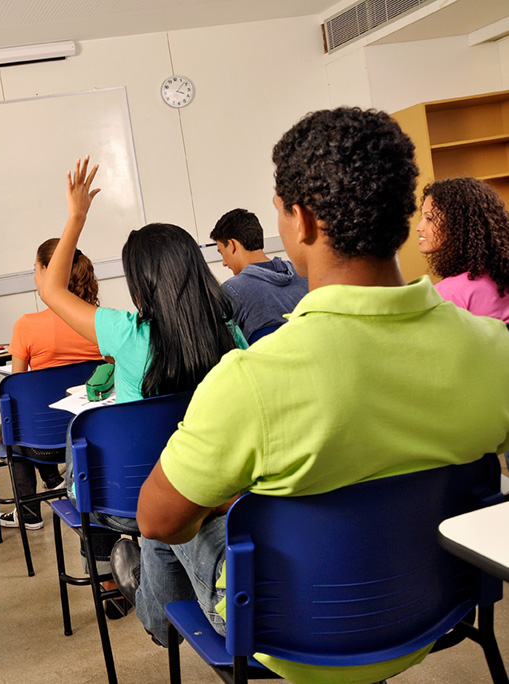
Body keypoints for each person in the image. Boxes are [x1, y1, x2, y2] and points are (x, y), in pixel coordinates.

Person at [111, 107, 509, 684]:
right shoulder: (493, 349)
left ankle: (155, 618)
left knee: (172, 518)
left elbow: (155, 519)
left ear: (302, 220)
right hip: (439, 610)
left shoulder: (251, 378)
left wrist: (233, 503)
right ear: (403, 214)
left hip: (291, 637)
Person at [39, 156, 246, 594]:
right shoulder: (233, 336)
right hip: (222, 490)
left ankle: (136, 589)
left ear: (141, 284)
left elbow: (52, 289)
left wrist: (76, 216)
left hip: (136, 499)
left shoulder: (127, 335)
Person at [0, 238, 103, 530]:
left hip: (41, 445)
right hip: (89, 436)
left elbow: (16, 384)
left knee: (12, 423)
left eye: (35, 269)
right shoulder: (98, 320)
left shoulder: (27, 325)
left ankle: (29, 511)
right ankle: (60, 483)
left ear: (48, 271)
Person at [416, 176, 509, 322]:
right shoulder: (500, 276)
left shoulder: (447, 295)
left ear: (456, 225)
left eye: (429, 219)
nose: (419, 227)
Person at [210, 208, 308, 338]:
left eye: (222, 252)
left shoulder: (232, 290)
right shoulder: (303, 275)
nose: (224, 263)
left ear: (232, 245)